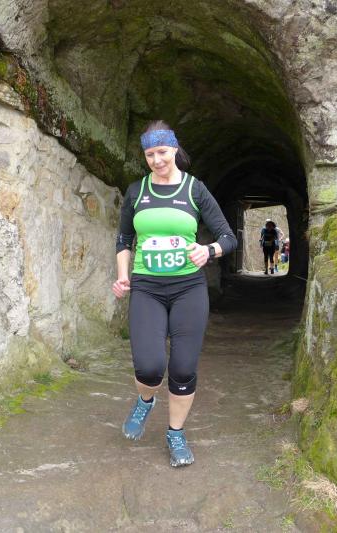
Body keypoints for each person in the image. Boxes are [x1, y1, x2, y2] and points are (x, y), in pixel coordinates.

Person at [113, 120, 237, 467]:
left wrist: (208, 251)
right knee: (149, 367)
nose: (157, 160)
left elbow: (228, 237)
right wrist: (123, 276)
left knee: (182, 369)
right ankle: (145, 400)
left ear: (175, 149)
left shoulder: (195, 189)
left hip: (188, 289)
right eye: (150, 154)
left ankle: (175, 433)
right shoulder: (136, 191)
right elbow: (124, 239)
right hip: (147, 288)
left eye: (163, 152)